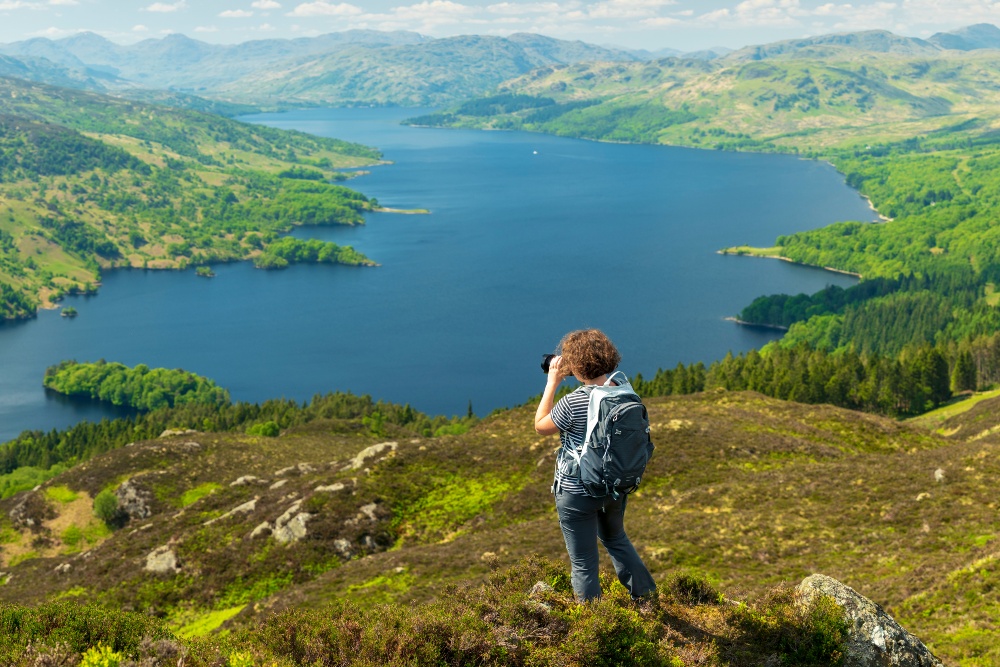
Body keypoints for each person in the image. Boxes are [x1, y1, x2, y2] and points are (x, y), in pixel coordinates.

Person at [534, 328, 657, 602]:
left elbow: (541, 426)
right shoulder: (624, 391)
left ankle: (594, 625)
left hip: (576, 490)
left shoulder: (574, 400)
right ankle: (647, 598)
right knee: (616, 539)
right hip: (612, 485)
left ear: (576, 365)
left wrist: (552, 381)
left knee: (583, 561)